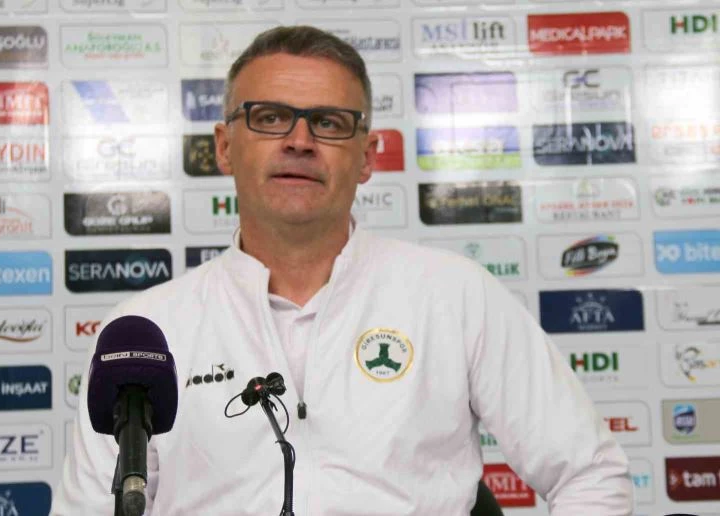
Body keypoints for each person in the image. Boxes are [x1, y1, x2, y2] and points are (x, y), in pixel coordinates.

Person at [54, 25, 633, 515]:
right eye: (271, 117)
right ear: (224, 147)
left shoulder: (453, 295)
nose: (300, 141)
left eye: (329, 123)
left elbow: (589, 474)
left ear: (367, 157)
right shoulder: (146, 329)